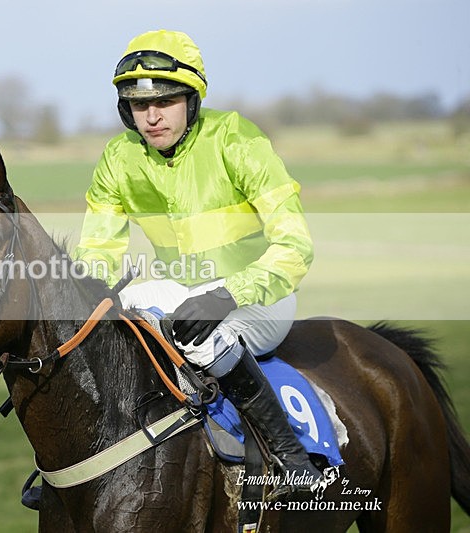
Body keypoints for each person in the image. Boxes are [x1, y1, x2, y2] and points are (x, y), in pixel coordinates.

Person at [73, 29, 320, 497]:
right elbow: (98, 252)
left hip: (259, 298)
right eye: (139, 105)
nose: (152, 116)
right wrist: (87, 301)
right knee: (105, 328)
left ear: (192, 98)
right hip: (179, 291)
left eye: (165, 101)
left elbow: (295, 246)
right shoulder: (119, 158)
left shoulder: (237, 139)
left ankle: (291, 458)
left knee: (206, 340)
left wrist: (226, 295)